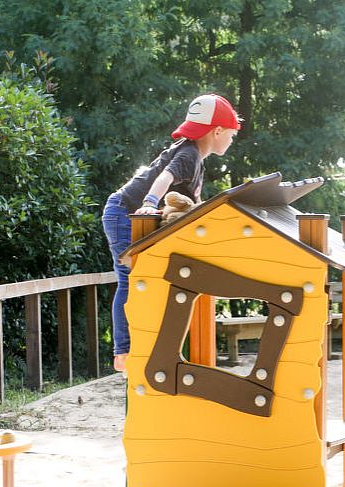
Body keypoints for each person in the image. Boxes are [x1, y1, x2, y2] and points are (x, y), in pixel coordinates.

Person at [102, 94, 241, 371]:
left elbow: (193, 202)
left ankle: (140, 343)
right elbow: (164, 177)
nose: (231, 140)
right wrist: (149, 204)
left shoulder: (195, 157)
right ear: (217, 131)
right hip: (124, 213)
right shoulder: (189, 154)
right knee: (130, 278)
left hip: (126, 212)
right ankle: (124, 352)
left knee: (145, 278)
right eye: (231, 134)